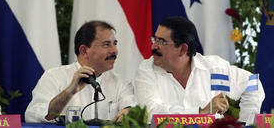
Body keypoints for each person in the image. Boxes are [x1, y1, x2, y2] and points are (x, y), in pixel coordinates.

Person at [134, 16, 265, 125]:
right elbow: (151, 113)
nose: (153, 46)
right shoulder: (147, 70)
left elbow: (253, 84)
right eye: (155, 39)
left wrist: (245, 124)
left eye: (162, 42)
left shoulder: (214, 69)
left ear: (183, 50)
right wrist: (201, 112)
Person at [25, 21, 136, 122]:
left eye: (115, 44)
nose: (115, 51)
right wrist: (69, 92)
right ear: (83, 50)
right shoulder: (53, 77)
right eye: (106, 44)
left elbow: (132, 107)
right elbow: (32, 116)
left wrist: (129, 111)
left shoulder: (121, 83)